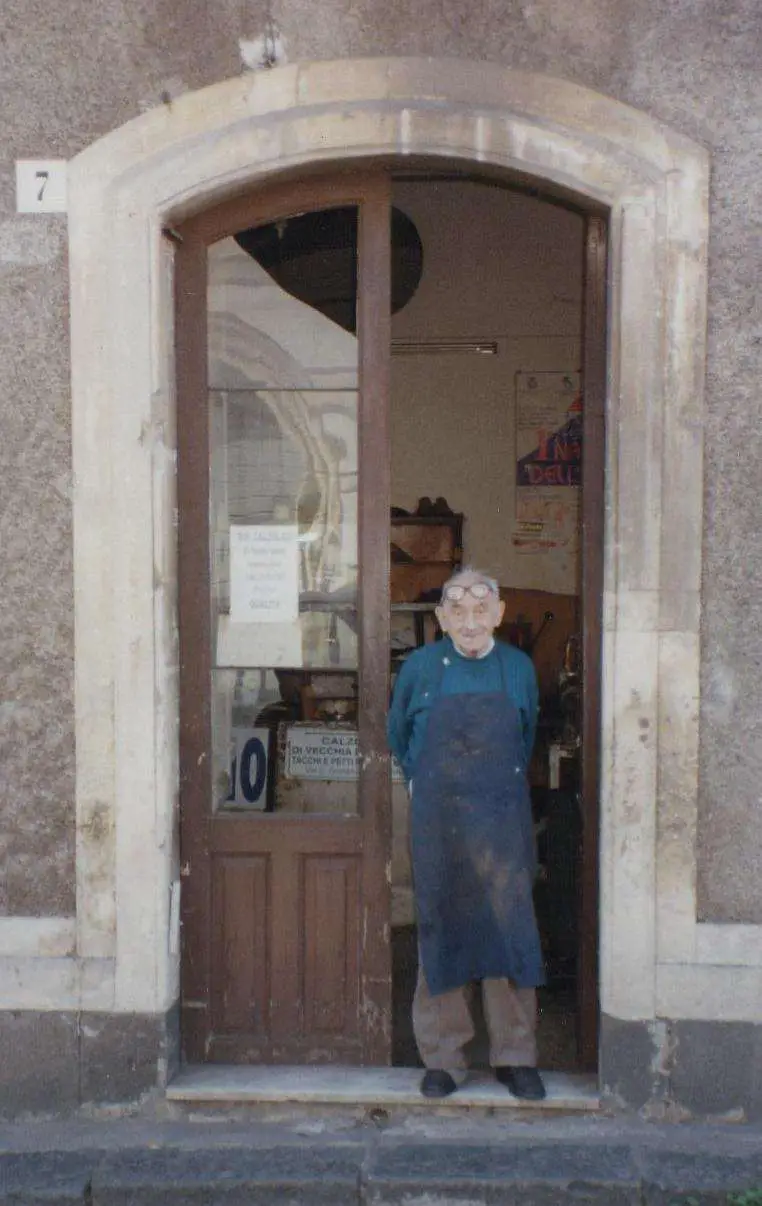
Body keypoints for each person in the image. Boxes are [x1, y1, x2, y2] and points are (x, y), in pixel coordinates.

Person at [387, 567, 546, 1100]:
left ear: (498, 614)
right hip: (439, 824)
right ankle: (444, 1060)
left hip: (501, 821)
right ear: (441, 618)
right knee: (443, 926)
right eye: (458, 611)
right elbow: (399, 734)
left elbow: (524, 740)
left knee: (509, 928)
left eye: (481, 610)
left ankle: (515, 1058)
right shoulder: (421, 668)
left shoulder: (518, 669)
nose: (470, 621)